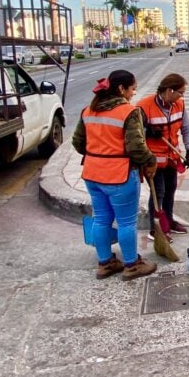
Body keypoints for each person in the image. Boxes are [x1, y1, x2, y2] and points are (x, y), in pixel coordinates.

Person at [72, 70, 157, 281]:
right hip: (119, 175)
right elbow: (136, 147)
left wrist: (99, 154)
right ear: (121, 89)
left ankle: (105, 263)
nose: (133, 93)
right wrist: (150, 160)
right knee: (127, 222)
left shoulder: (88, 110)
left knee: (101, 219)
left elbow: (77, 143)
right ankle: (131, 265)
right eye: (132, 89)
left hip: (92, 173)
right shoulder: (128, 111)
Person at [136, 73, 189, 240]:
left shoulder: (179, 105)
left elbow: (187, 129)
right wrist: (148, 131)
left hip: (171, 158)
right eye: (180, 92)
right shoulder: (143, 107)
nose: (182, 96)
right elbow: (133, 133)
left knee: (171, 189)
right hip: (152, 161)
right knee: (158, 192)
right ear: (169, 90)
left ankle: (168, 220)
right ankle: (156, 229)